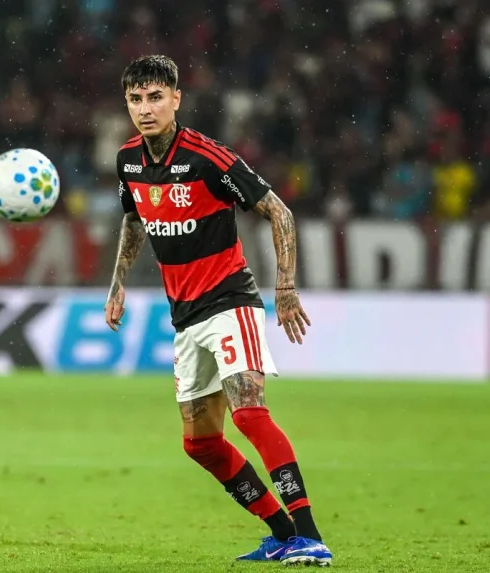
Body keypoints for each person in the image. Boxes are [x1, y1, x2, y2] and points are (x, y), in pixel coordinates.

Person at [104, 54, 333, 567]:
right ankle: (281, 533)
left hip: (230, 301)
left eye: (156, 97)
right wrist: (118, 284)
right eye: (136, 99)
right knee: (201, 444)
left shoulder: (207, 157)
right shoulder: (128, 160)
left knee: (249, 413)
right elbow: (135, 217)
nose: (145, 109)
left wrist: (286, 287)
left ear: (176, 99)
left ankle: (310, 535)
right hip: (184, 316)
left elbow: (279, 211)